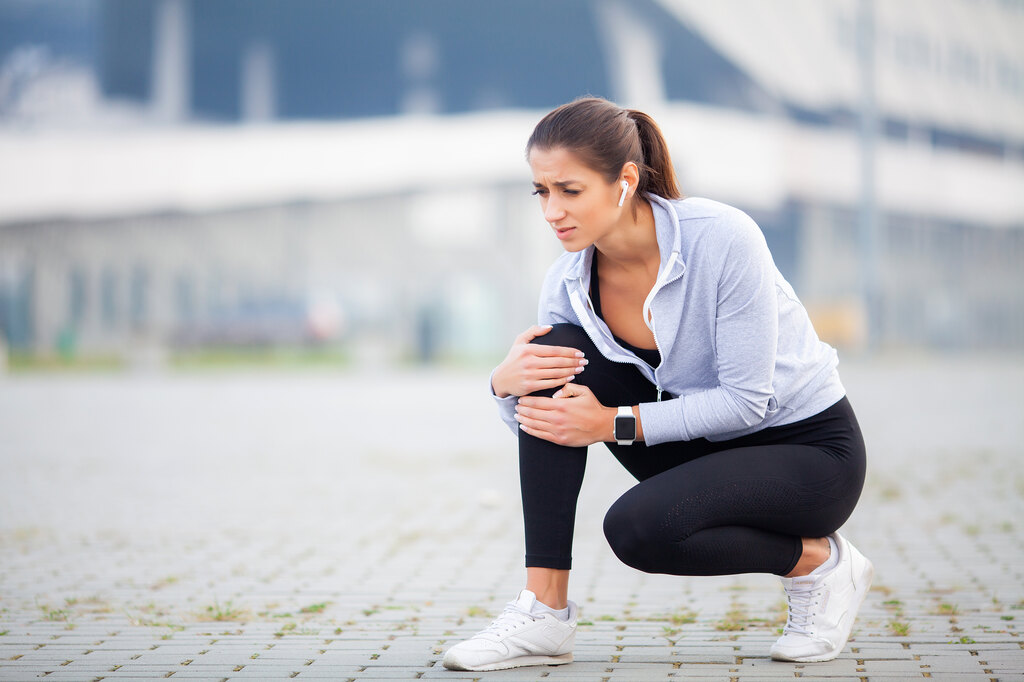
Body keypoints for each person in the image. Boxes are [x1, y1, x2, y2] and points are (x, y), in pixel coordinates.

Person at [442, 97, 872, 672]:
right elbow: (547, 418)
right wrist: (503, 387)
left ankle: (818, 563)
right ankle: (544, 612)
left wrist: (612, 423)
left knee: (635, 528)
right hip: (697, 446)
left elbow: (749, 401)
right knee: (552, 355)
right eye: (541, 191)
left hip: (807, 454)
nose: (551, 210)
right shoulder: (569, 283)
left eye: (569, 190)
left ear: (624, 181)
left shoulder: (722, 237)